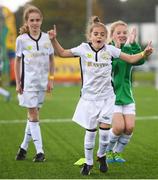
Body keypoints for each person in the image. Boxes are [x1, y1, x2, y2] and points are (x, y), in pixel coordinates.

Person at [48, 16, 153, 175]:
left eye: (102, 35)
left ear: (106, 38)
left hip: (107, 98)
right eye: (96, 34)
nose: (99, 36)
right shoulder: (83, 49)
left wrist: (144, 53)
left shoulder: (110, 50)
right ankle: (89, 163)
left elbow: (131, 58)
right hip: (89, 99)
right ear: (90, 36)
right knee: (90, 132)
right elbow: (62, 53)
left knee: (104, 132)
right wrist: (53, 40)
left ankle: (101, 155)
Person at [14, 5, 54, 162]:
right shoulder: (21, 40)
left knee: (33, 116)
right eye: (32, 20)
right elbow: (17, 62)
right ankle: (40, 152)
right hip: (27, 84)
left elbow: (52, 58)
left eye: (38, 20)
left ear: (42, 20)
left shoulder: (47, 38)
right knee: (33, 115)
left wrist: (51, 79)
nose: (35, 23)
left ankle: (23, 148)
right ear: (27, 21)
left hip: (42, 84)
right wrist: (18, 82)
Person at [106, 21, 146, 163]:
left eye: (125, 32)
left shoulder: (129, 49)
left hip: (127, 96)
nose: (122, 35)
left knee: (129, 128)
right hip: (112, 96)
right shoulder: (108, 49)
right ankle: (106, 152)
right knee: (118, 127)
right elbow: (111, 67)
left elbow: (140, 62)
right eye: (119, 33)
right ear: (112, 35)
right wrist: (116, 48)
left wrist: (134, 43)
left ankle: (117, 153)